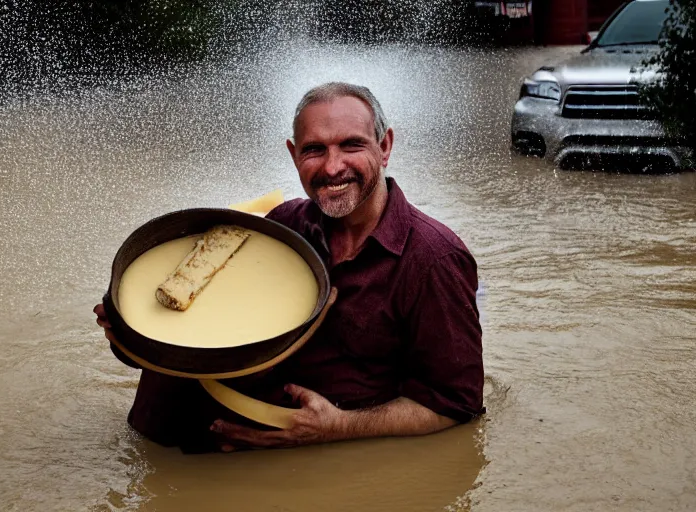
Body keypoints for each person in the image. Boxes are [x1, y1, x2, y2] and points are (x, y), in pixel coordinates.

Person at [94, 82, 484, 453]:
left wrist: (337, 428)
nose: (332, 168)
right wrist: (130, 335)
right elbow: (202, 328)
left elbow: (455, 405)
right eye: (314, 149)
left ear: (384, 147)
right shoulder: (281, 226)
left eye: (351, 145)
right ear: (293, 154)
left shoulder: (435, 260)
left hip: (268, 477)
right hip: (162, 445)